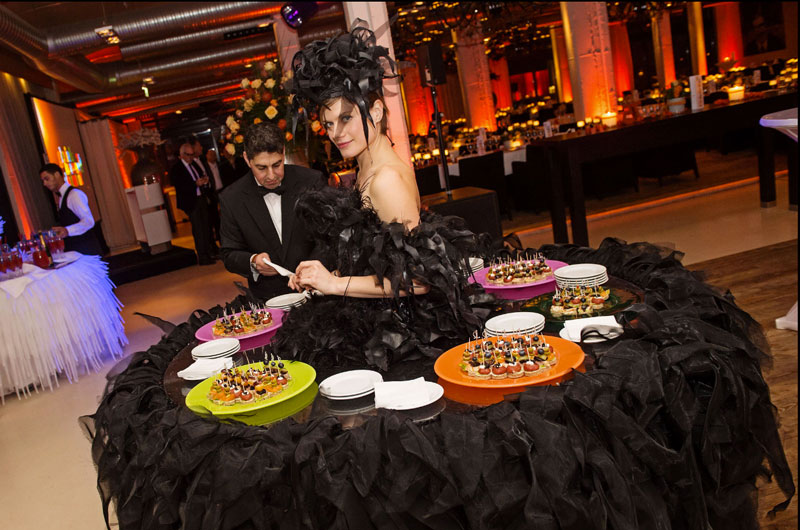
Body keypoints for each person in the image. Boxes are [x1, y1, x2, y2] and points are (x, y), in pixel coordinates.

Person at [271, 24, 490, 379]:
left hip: (400, 338)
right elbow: (380, 257)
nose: (336, 133)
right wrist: (326, 275)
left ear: (374, 111)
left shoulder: (386, 179)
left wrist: (334, 285)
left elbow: (418, 280)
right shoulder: (367, 166)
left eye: (346, 118)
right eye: (328, 124)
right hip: (375, 318)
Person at [219, 122, 326, 301]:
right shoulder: (231, 198)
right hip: (268, 297)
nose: (271, 175)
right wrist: (253, 261)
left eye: (277, 164)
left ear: (283, 152)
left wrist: (311, 268)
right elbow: (229, 254)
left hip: (319, 290)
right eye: (261, 168)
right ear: (247, 159)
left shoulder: (311, 181)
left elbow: (330, 236)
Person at [39, 163, 103, 255]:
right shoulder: (62, 197)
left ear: (57, 175)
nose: (44, 184)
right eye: (43, 181)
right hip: (77, 252)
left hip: (87, 251)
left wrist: (67, 230)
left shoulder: (74, 194)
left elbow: (89, 221)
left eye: (47, 179)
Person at [169, 142, 215, 265]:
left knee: (206, 226)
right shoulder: (177, 168)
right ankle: (202, 256)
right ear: (182, 155)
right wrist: (195, 184)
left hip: (201, 198)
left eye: (192, 154)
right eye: (188, 155)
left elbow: (200, 175)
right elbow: (180, 186)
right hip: (191, 201)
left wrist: (204, 181)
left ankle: (209, 252)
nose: (191, 157)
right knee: (198, 228)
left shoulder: (193, 164)